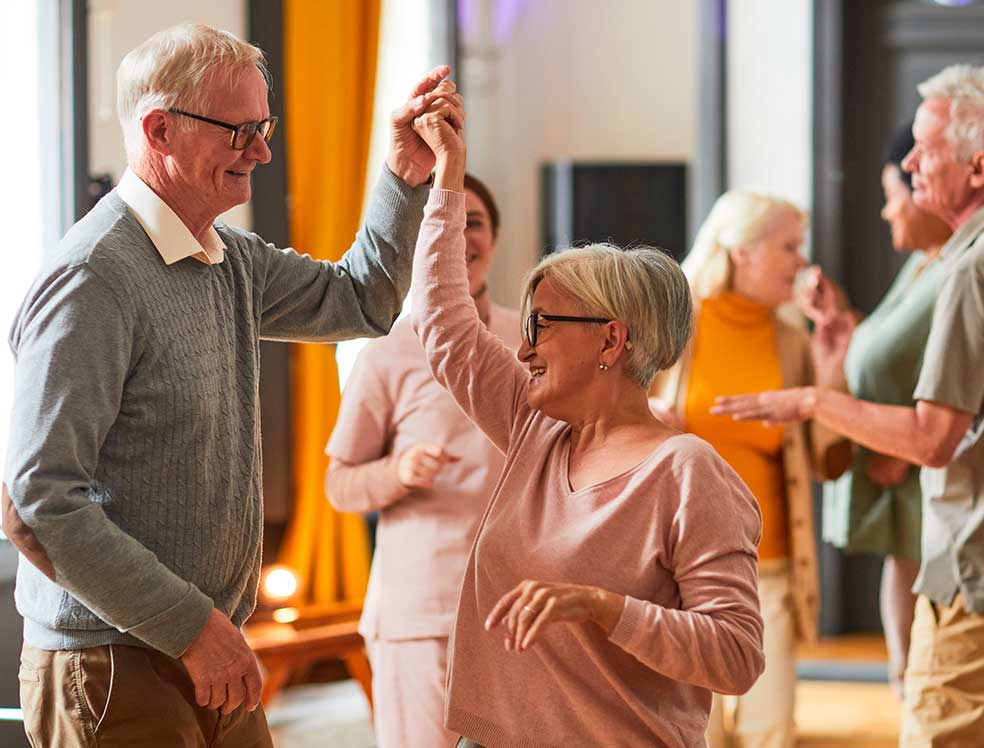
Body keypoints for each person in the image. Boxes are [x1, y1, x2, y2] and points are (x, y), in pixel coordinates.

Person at [1, 23, 461, 748]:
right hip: (114, 661)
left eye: (265, 126)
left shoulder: (228, 259)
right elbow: (36, 501)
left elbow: (363, 300)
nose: (264, 151)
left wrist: (402, 176)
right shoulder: (92, 277)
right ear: (160, 129)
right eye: (242, 130)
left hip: (203, 646)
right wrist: (192, 629)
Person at [713, 64, 984, 747]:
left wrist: (810, 399)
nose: (909, 163)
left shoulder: (977, 267)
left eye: (925, 148)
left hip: (982, 574)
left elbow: (929, 439)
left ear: (977, 167)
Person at [406, 93, 765, 748]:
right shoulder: (533, 428)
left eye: (544, 326)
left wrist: (605, 609)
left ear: (611, 341)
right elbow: (445, 324)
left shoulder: (687, 472)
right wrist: (448, 173)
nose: (524, 347)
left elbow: (737, 655)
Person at [325, 172, 520, 747]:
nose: (462, 236)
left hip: (518, 611)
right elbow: (340, 485)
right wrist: (397, 472)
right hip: (421, 614)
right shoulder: (388, 349)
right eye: (448, 222)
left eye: (475, 222)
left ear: (496, 239)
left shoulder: (532, 342)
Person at [652, 190, 850, 748]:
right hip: (678, 568)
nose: (801, 262)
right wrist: (645, 416)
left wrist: (831, 373)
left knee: (771, 732)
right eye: (788, 247)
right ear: (741, 250)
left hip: (771, 569)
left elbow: (829, 461)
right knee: (694, 733)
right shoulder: (670, 325)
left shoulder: (791, 340)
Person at [806, 124, 952, 700]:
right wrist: (843, 321)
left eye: (893, 192)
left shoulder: (956, 273)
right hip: (901, 469)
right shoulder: (920, 264)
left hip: (924, 469)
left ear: (923, 191)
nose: (888, 210)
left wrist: (910, 457)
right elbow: (895, 346)